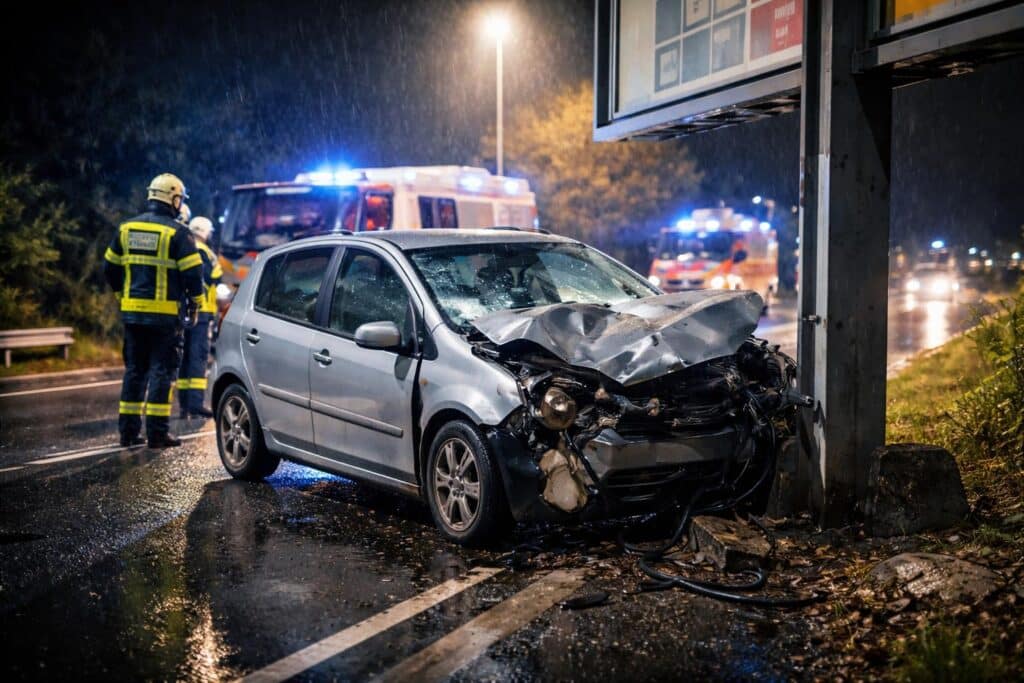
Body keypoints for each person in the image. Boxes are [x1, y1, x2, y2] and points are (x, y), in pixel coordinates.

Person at [103, 173, 205, 448]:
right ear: (173, 198)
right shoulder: (178, 233)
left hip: (133, 316)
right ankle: (157, 434)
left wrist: (122, 295)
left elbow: (109, 268)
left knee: (135, 371)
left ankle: (128, 432)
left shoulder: (126, 228)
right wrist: (196, 302)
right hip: (164, 319)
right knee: (162, 372)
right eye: (179, 198)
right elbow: (193, 275)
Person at [177, 215, 222, 418]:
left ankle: (185, 405)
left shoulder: (183, 248)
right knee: (198, 357)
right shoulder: (205, 253)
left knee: (184, 357)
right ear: (204, 232)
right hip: (200, 312)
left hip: (181, 310)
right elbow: (214, 279)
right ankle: (195, 403)